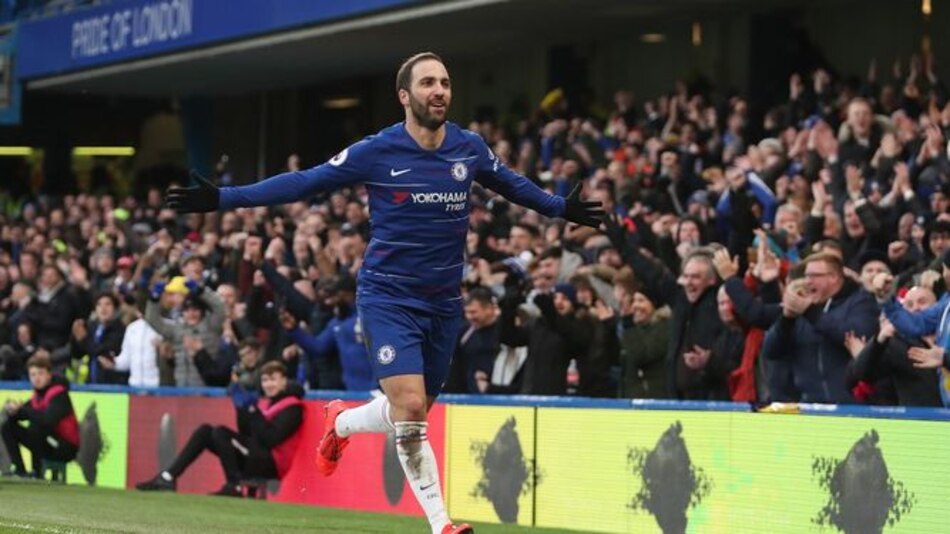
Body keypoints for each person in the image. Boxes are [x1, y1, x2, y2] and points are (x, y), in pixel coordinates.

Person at [165, 51, 603, 534]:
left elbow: (513, 186)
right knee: (412, 410)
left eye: (445, 82)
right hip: (388, 297)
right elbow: (305, 182)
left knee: (408, 410)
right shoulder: (376, 151)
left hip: (444, 304)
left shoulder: (469, 148)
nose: (439, 91)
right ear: (404, 96)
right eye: (428, 83)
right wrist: (226, 198)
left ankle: (343, 423)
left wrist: (562, 207)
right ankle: (442, 525)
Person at [135, 361, 304, 496]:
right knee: (206, 430)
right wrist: (241, 409)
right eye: (265, 380)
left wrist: (252, 411)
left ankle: (234, 485)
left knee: (221, 433)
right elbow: (247, 433)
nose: (268, 384)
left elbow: (270, 440)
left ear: (284, 380)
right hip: (256, 456)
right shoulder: (270, 403)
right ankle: (168, 477)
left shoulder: (293, 407)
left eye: (273, 379)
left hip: (271, 464)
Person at [1, 353, 80, 478]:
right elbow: (25, 413)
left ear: (49, 375)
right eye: (33, 375)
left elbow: (47, 420)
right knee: (8, 426)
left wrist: (23, 410)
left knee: (37, 427)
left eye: (41, 373)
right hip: (48, 443)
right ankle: (20, 470)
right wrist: (13, 410)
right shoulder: (37, 396)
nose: (37, 378)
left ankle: (36, 471)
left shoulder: (59, 395)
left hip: (65, 447)